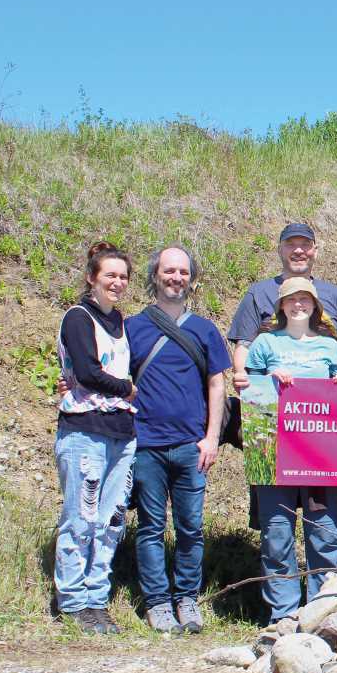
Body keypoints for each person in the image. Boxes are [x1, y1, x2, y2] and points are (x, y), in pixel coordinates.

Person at [128, 246, 232, 634]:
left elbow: (217, 383)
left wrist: (211, 439)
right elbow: (115, 380)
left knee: (191, 528)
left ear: (192, 278)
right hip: (146, 444)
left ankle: (186, 598)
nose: (176, 278)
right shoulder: (133, 327)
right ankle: (157, 601)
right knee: (151, 527)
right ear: (155, 275)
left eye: (183, 272)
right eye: (169, 271)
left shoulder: (204, 329)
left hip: (192, 446)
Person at [242, 278, 337, 623]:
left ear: (315, 305)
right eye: (291, 299)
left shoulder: (330, 347)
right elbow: (248, 387)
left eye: (305, 299)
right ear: (281, 305)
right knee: (277, 534)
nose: (298, 305)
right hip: (273, 453)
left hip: (320, 455)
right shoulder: (264, 343)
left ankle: (324, 612)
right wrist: (268, 376)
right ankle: (283, 615)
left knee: (324, 532)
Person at [54, 242, 138, 634]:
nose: (117, 283)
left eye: (123, 276)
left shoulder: (120, 322)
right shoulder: (77, 317)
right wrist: (127, 389)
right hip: (84, 430)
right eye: (110, 275)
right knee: (80, 518)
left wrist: (124, 391)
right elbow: (87, 372)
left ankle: (96, 597)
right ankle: (72, 600)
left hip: (121, 434)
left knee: (111, 519)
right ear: (91, 278)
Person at [228, 223, 337, 388]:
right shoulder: (259, 293)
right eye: (290, 245)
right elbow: (244, 345)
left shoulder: (334, 294)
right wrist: (244, 379)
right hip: (273, 397)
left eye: (305, 245)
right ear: (280, 250)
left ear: (315, 251)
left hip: (322, 403)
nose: (298, 251)